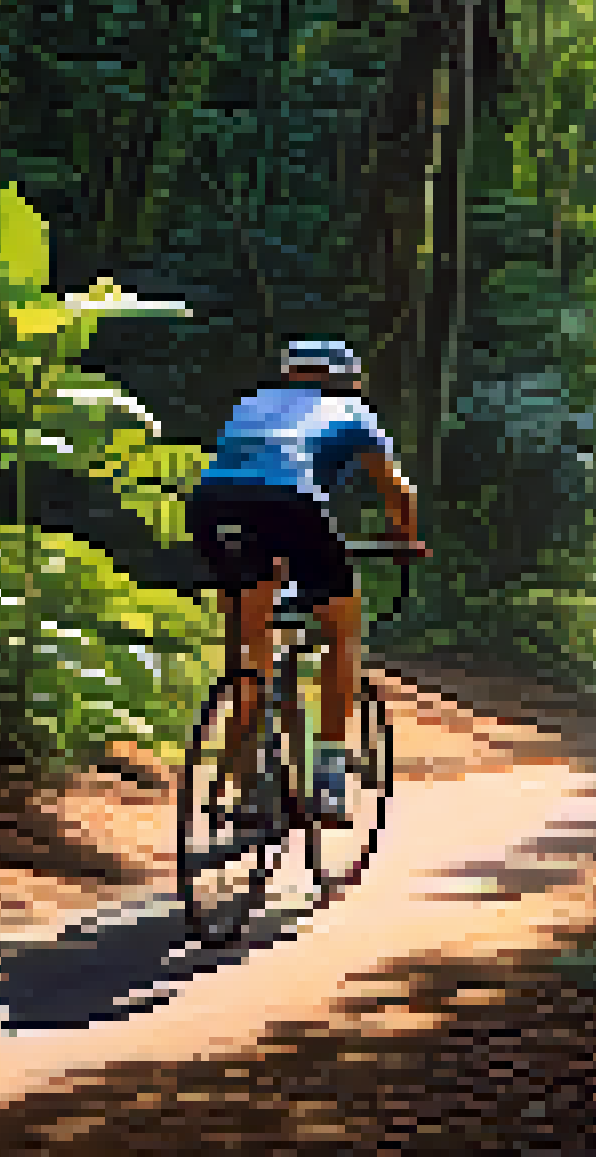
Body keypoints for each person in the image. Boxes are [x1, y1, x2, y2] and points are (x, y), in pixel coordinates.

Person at [186, 339, 423, 827]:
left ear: (289, 373)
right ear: (348, 379)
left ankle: (247, 784)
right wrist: (405, 540)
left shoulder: (250, 405)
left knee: (250, 652)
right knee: (342, 629)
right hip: (291, 504)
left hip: (213, 506)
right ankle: (330, 777)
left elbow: (247, 478)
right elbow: (396, 491)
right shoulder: (352, 411)